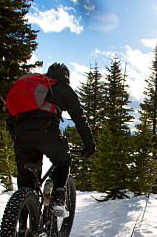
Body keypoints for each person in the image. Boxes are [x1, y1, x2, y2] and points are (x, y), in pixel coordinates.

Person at [5, 62, 96, 215]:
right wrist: (90, 145)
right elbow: (80, 120)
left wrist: (18, 139)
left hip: (22, 136)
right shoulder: (64, 89)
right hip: (47, 133)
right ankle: (58, 200)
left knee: (26, 184)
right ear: (66, 77)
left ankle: (22, 230)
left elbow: (10, 118)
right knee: (63, 160)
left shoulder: (33, 89)